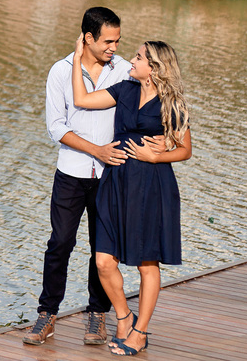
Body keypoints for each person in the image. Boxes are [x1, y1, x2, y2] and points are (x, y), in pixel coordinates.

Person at [71, 37, 192, 357]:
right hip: (115, 184)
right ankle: (124, 318)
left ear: (152, 68)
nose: (131, 61)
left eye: (138, 57)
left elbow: (185, 150)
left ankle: (140, 333)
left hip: (151, 188)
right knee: (103, 261)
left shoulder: (172, 104)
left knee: (146, 264)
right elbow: (81, 99)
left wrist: (155, 157)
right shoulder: (124, 90)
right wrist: (77, 57)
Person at [24, 6, 133, 347]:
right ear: (88, 37)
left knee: (103, 249)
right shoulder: (60, 71)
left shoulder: (126, 71)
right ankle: (47, 314)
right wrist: (95, 150)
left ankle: (97, 314)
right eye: (108, 41)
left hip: (111, 175)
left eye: (117, 40)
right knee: (60, 243)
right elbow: (57, 128)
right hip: (70, 174)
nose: (114, 47)